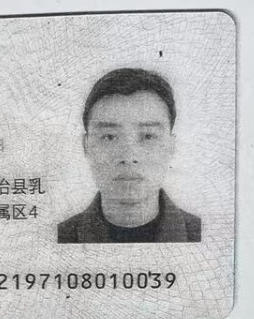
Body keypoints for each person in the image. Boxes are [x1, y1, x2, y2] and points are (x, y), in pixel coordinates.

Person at [57, 68, 201, 244]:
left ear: (171, 146)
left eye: (148, 136)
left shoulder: (202, 235)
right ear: (86, 146)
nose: (128, 156)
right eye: (109, 137)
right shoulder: (60, 238)